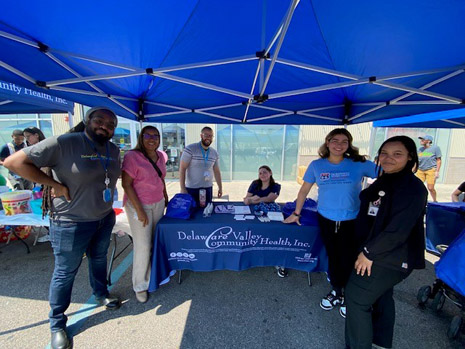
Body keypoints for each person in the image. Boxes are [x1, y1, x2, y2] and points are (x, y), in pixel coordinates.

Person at [4, 106, 121, 349]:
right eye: (100, 120)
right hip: (70, 222)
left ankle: (101, 293)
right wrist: (51, 184)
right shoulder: (65, 142)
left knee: (99, 259)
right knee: (65, 272)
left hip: (103, 217)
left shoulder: (113, 149)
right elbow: (14, 162)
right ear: (87, 120)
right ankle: (57, 324)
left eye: (111, 125)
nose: (105, 126)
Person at [344, 136, 427, 349]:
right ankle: (380, 342)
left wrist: (368, 252)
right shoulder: (387, 178)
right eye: (384, 153)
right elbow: (371, 200)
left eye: (397, 154)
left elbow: (398, 230)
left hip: (388, 256)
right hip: (377, 250)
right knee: (381, 295)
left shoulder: (412, 187)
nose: (388, 158)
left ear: (410, 157)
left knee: (356, 298)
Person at [283, 128, 377, 318]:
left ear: (349, 144)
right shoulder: (317, 165)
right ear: (327, 142)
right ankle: (337, 291)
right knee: (333, 257)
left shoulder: (358, 164)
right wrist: (296, 213)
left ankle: (350, 296)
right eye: (335, 140)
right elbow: (303, 192)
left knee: (351, 258)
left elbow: (387, 174)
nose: (339, 145)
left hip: (352, 221)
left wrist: (377, 196)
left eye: (344, 141)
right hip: (326, 219)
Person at [121, 125, 168, 303]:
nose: (152, 138)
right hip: (138, 205)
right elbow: (126, 184)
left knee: (155, 241)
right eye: (148, 135)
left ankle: (153, 275)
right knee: (142, 246)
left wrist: (165, 197)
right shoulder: (132, 157)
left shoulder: (161, 156)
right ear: (141, 137)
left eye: (155, 135)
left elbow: (160, 179)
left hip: (158, 204)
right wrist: (140, 210)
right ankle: (140, 285)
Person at [243, 166, 285, 277]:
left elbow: (270, 199)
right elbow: (246, 200)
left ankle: (277, 260)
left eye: (265, 172)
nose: (262, 175)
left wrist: (254, 199)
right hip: (255, 214)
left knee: (271, 236)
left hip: (270, 215)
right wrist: (251, 200)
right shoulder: (255, 183)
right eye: (260, 173)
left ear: (270, 173)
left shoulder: (276, 186)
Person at [179, 126, 222, 206]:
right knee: (192, 213)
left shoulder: (214, 153)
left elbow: (217, 171)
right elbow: (182, 169)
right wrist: (182, 188)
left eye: (210, 136)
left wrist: (220, 187)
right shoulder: (190, 149)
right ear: (201, 135)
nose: (208, 138)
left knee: (206, 212)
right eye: (206, 135)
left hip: (208, 189)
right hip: (192, 189)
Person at [416, 135, 441, 202]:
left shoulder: (435, 148)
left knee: (430, 188)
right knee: (418, 186)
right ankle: (420, 200)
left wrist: (437, 171)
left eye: (423, 139)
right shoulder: (420, 149)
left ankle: (435, 200)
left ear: (429, 141)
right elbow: (417, 161)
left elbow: (438, 160)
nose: (421, 141)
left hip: (431, 170)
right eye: (421, 139)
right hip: (420, 170)